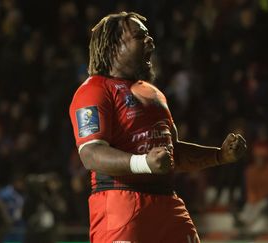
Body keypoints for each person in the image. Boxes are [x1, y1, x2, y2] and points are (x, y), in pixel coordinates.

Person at [68, 12, 247, 243]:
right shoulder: (93, 90)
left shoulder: (154, 93)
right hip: (120, 203)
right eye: (140, 36)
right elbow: (90, 154)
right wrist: (144, 163)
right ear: (114, 47)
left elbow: (171, 155)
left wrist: (219, 155)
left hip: (167, 202)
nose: (150, 40)